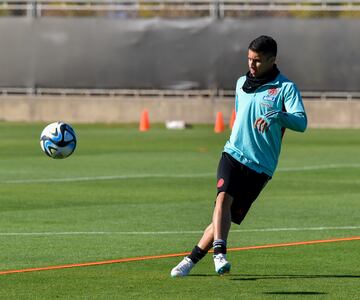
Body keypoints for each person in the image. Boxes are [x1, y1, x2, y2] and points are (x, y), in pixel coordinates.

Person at [170, 35, 307, 277]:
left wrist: (278, 115)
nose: (251, 65)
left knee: (223, 219)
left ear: (272, 60)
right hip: (233, 153)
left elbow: (301, 122)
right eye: (249, 59)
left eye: (257, 61)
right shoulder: (241, 82)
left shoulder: (286, 88)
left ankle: (190, 260)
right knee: (222, 199)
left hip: (261, 165)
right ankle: (219, 253)